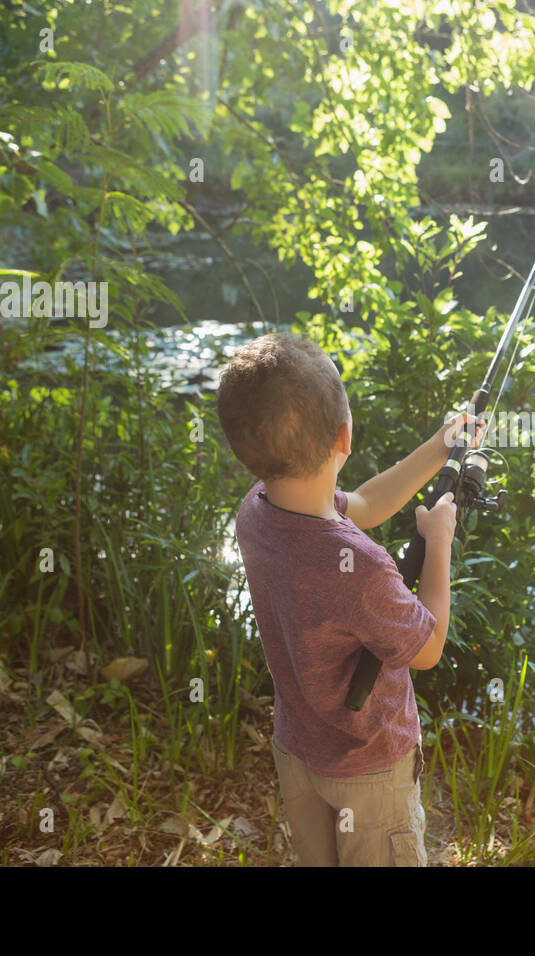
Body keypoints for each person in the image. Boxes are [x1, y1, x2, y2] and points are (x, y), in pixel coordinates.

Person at [216, 331, 479, 866]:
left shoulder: (256, 511)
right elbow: (428, 648)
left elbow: (361, 503)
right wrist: (438, 543)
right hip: (371, 772)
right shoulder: (359, 567)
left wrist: (441, 444)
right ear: (344, 436)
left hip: (298, 750)